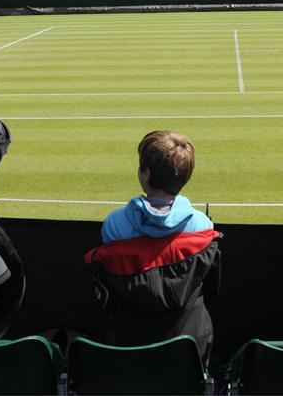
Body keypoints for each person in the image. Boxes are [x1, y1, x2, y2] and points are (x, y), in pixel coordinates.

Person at [86, 131, 220, 361]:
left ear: (146, 173)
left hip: (128, 343)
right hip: (189, 347)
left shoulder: (114, 225)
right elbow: (210, 290)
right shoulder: (203, 226)